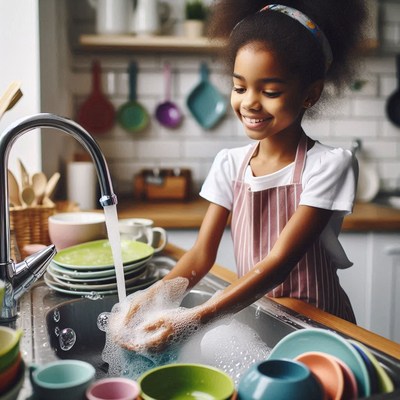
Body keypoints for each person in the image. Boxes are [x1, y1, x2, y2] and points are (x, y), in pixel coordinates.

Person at [114, 0, 367, 352]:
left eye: (270, 91)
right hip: (258, 315)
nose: (250, 102)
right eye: (239, 87)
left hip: (318, 327)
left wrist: (194, 317)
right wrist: (154, 297)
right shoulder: (230, 164)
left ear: (311, 93)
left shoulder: (327, 165)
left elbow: (278, 264)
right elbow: (202, 254)